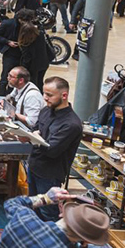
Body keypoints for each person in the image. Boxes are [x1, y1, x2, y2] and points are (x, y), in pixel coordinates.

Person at [0, 188, 109, 248]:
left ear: (62, 214)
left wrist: (46, 198)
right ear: (86, 241)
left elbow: (11, 203)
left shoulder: (23, 218)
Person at [27, 76, 83, 222]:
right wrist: (31, 136)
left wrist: (36, 139)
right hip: (33, 166)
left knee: (48, 213)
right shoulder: (46, 110)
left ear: (64, 95)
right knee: (33, 207)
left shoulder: (71, 124)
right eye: (44, 93)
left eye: (50, 95)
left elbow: (52, 151)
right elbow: (35, 128)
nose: (45, 98)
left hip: (49, 175)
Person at [0, 9, 35, 96]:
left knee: (18, 79)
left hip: (22, 55)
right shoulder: (8, 23)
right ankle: (0, 98)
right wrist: (8, 42)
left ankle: (11, 98)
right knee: (5, 78)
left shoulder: (29, 26)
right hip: (10, 54)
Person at [18, 23, 52, 91]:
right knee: (40, 81)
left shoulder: (26, 42)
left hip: (32, 66)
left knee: (32, 84)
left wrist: (23, 68)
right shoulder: (41, 35)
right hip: (43, 63)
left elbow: (27, 57)